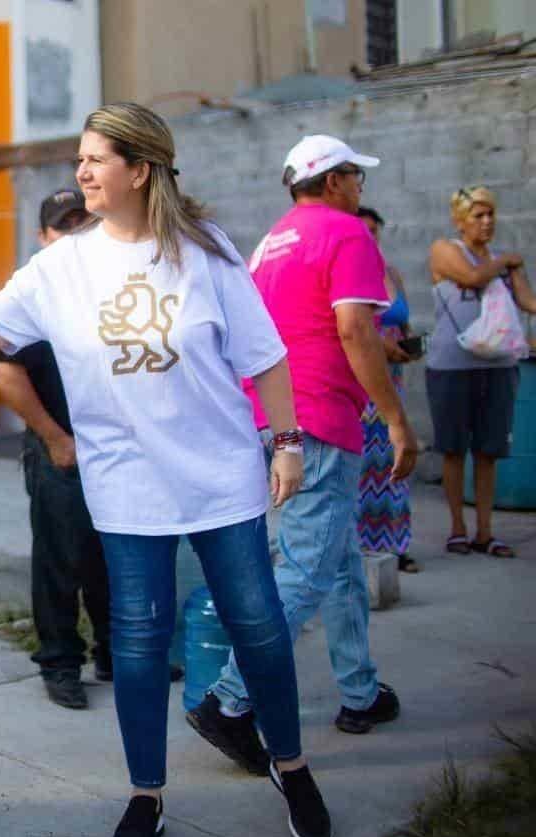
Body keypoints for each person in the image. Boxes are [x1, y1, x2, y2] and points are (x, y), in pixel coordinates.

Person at [0, 103, 331, 837]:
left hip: (218, 475)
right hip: (126, 484)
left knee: (259, 625)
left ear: (139, 169)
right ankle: (145, 792)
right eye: (77, 159)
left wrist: (286, 442)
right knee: (139, 642)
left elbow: (265, 354)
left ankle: (290, 761)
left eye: (95, 159)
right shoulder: (63, 264)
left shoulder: (204, 249)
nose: (80, 171)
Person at [189, 136, 416, 786]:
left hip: (270, 416)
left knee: (337, 557)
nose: (359, 186)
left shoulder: (270, 241)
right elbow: (353, 328)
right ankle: (227, 699)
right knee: (306, 570)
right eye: (354, 175)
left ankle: (358, 690)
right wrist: (397, 420)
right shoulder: (345, 233)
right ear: (332, 179)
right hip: (319, 416)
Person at [0, 188, 181, 711]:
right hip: (62, 449)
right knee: (59, 561)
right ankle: (59, 663)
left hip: (117, 450)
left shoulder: (104, 283)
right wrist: (56, 440)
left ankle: (115, 655)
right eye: (62, 224)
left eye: (83, 221)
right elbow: (8, 375)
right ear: (41, 237)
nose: (74, 232)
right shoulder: (37, 290)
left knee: (111, 557)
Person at [427, 186, 535, 558]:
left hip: (499, 366)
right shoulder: (445, 250)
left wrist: (510, 265)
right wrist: (507, 263)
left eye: (491, 215)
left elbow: (527, 301)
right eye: (478, 215)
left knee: (489, 450)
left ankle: (485, 532)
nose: (487, 222)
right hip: (452, 366)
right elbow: (472, 278)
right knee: (454, 449)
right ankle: (458, 528)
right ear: (460, 220)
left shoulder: (504, 259)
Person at [356, 207, 420, 573]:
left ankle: (396, 544)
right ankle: (362, 544)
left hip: (394, 375)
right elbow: (352, 326)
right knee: (366, 463)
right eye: (364, 230)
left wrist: (408, 342)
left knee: (393, 462)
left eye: (375, 231)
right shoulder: (354, 271)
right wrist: (382, 347)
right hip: (366, 377)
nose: (371, 237)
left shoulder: (391, 272)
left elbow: (402, 317)